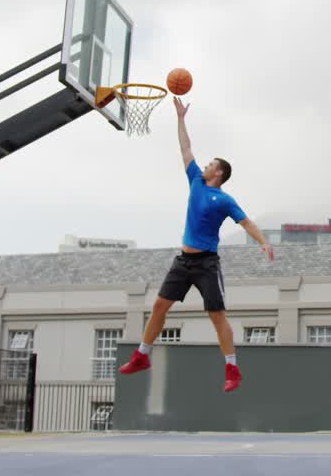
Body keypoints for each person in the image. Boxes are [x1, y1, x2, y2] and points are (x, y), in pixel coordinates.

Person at [118, 96, 275, 392]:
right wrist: (180, 118)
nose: (204, 164)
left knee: (217, 316)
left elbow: (247, 223)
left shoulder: (225, 200)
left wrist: (264, 242)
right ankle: (142, 355)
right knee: (159, 306)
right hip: (183, 261)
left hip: (206, 264)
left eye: (210, 164)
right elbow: (186, 148)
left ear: (219, 173)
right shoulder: (195, 181)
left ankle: (232, 368)